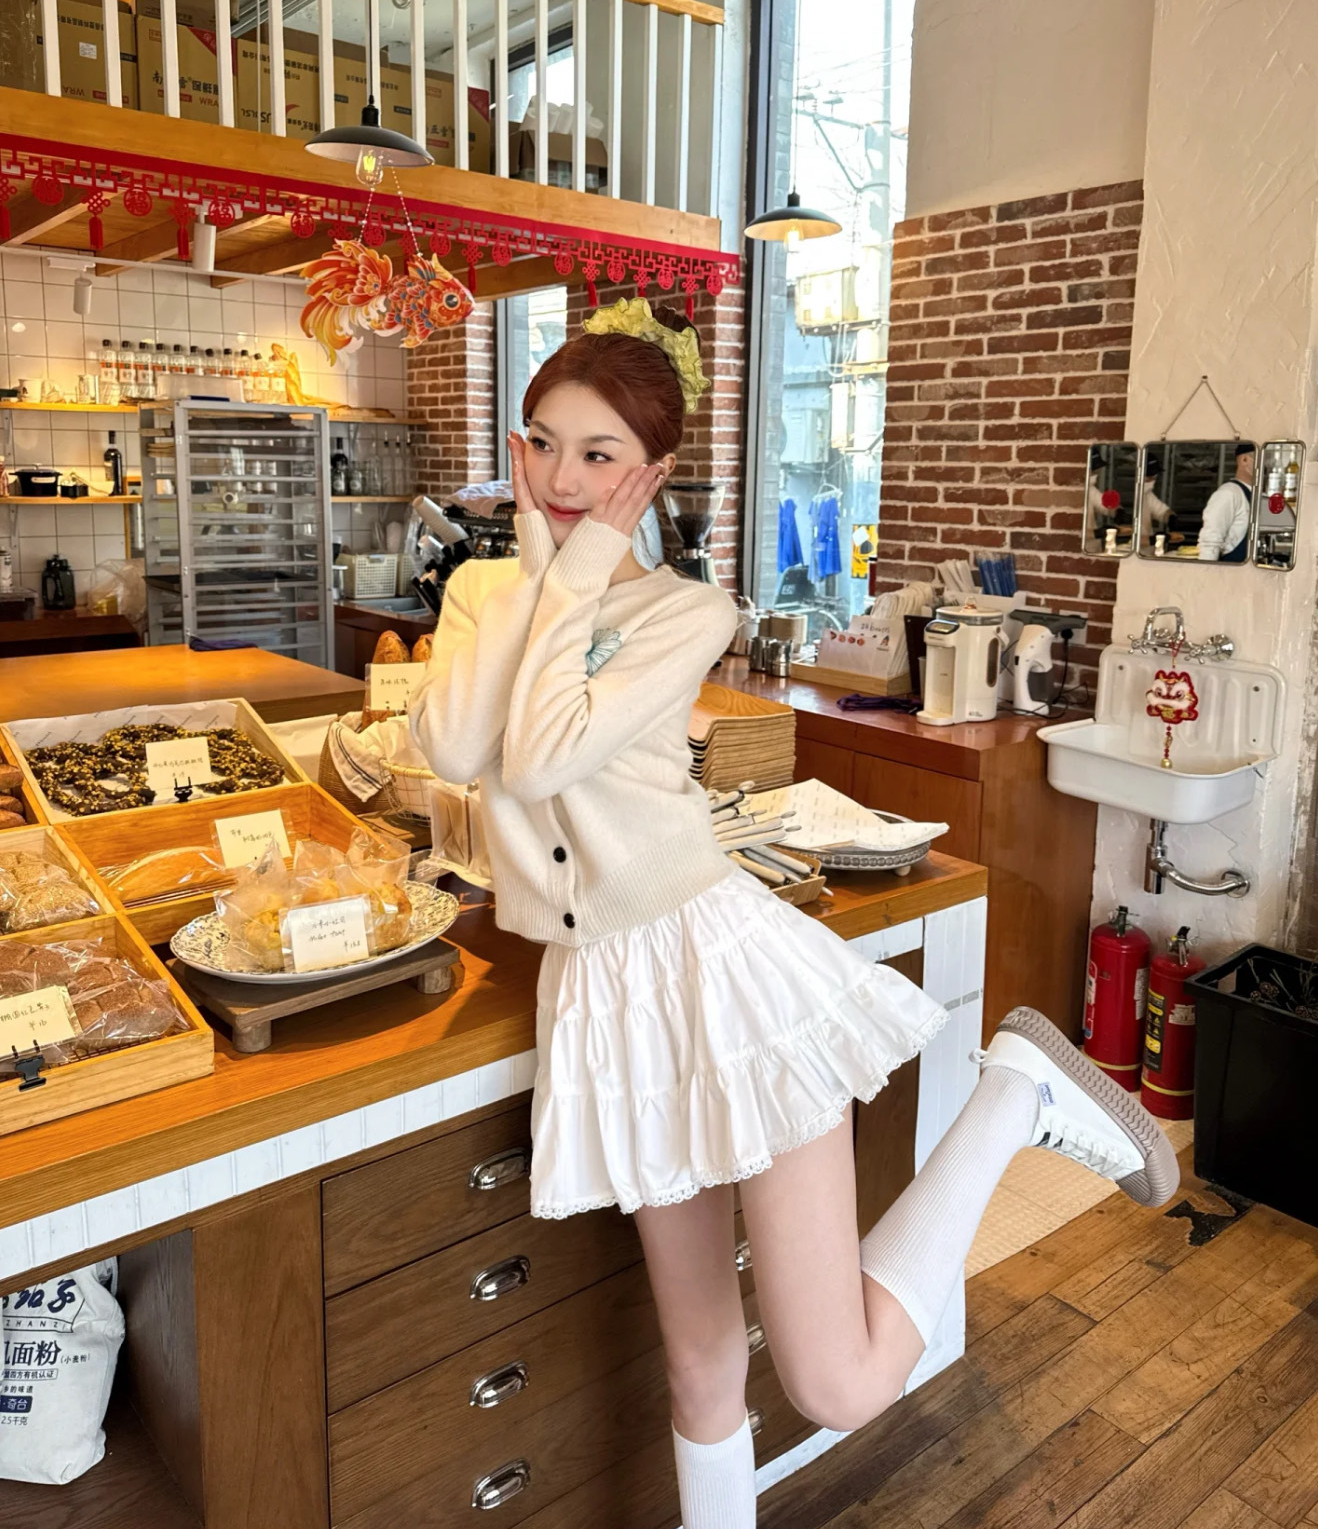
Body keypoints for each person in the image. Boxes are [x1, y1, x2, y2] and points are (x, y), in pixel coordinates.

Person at [410, 296, 1179, 1528]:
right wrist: (534, 579)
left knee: (833, 1380)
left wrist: (580, 567)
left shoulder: (684, 611)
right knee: (700, 1361)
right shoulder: (484, 592)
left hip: (716, 967)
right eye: (541, 441)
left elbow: (543, 751)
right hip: (603, 989)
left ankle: (1014, 1094)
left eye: (599, 453)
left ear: (651, 473)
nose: (559, 477)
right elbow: (454, 744)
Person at [1197, 442, 1255, 562]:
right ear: (1244, 460)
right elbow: (1210, 542)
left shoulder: (1259, 495)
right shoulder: (1228, 493)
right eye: (1262, 458)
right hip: (1232, 570)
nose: (1266, 464)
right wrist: (1206, 571)